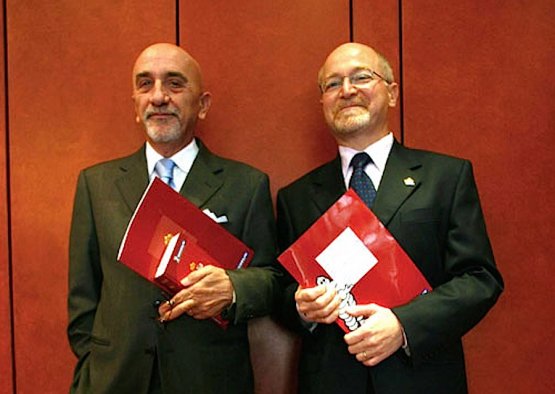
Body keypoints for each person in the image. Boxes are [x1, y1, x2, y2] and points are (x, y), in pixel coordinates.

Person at [275, 42, 504, 393]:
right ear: (322, 101)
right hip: (330, 382)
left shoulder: (446, 176)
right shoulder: (296, 197)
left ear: (392, 93)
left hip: (422, 379)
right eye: (333, 84)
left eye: (361, 77)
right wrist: (301, 306)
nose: (347, 90)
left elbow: (480, 279)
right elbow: (281, 294)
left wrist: (403, 326)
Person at [67, 43, 280, 394]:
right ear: (135, 105)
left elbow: (272, 280)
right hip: (114, 380)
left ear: (203, 104)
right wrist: (97, 364)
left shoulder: (247, 184)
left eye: (175, 84)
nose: (159, 97)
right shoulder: (96, 184)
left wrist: (234, 288)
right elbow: (82, 297)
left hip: (209, 380)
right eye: (145, 84)